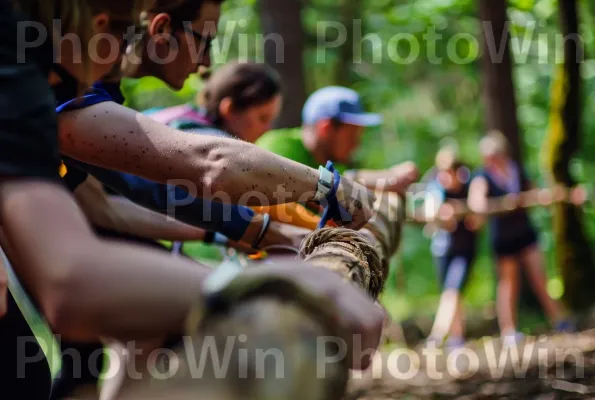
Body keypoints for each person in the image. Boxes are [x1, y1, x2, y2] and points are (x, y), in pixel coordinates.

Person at [0, 2, 383, 399]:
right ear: (100, 27)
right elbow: (206, 163)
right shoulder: (30, 74)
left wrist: (249, 236)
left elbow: (98, 204)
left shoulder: (46, 71)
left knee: (43, 367)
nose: (205, 64)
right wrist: (274, 276)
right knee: (27, 371)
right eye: (126, 36)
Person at [467, 131, 571, 344]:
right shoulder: (482, 177)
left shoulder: (516, 169)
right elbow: (476, 203)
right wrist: (503, 204)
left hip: (525, 233)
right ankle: (509, 331)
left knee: (540, 277)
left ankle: (559, 319)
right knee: (508, 284)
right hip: (503, 238)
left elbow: (533, 192)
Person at [256, 86, 419, 195]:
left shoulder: (326, 162)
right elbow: (323, 183)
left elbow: (344, 179)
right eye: (352, 136)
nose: (357, 144)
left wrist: (388, 178)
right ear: (325, 128)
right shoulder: (278, 147)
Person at [148, 60, 282, 143]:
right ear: (229, 109)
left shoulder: (178, 115)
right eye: (263, 118)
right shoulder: (207, 142)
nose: (268, 129)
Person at [425, 147, 480, 349]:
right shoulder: (434, 185)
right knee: (450, 294)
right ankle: (457, 338)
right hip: (442, 249)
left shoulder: (470, 184)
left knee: (453, 290)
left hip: (465, 248)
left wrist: (463, 212)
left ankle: (437, 335)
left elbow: (478, 216)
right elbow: (430, 214)